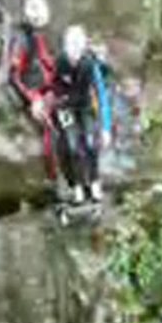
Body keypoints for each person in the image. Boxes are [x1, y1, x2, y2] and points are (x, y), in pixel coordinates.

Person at [51, 25, 113, 205]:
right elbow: (55, 85)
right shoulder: (60, 62)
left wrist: (105, 128)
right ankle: (77, 186)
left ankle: (94, 182)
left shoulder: (89, 64)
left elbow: (101, 95)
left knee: (91, 144)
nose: (74, 57)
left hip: (85, 105)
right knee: (72, 147)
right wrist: (57, 102)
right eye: (71, 52)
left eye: (77, 52)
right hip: (66, 107)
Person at [8, 0, 60, 183]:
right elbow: (14, 76)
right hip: (31, 92)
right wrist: (33, 99)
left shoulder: (35, 37)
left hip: (44, 87)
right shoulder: (21, 40)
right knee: (49, 128)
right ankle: (53, 178)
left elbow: (46, 59)